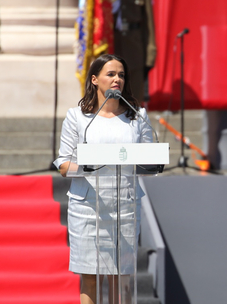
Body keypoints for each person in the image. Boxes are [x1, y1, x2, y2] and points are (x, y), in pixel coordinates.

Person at [54, 54, 153, 304]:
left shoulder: (137, 116)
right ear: (95, 79)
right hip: (88, 207)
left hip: (125, 205)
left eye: (121, 74)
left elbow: (150, 159)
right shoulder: (77, 117)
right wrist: (88, 167)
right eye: (111, 74)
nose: (117, 79)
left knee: (122, 277)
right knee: (89, 275)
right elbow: (64, 163)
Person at [109, 0, 156, 101]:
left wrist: (150, 55)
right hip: (110, 46)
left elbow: (149, 23)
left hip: (133, 50)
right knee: (109, 102)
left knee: (132, 101)